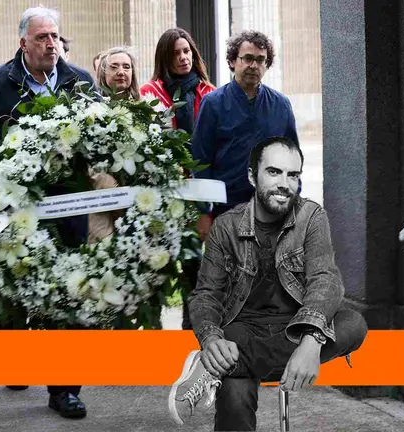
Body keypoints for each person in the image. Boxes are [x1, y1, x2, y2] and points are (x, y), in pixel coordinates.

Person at [168, 137, 367, 431]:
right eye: (274, 172)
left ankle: (210, 369)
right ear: (252, 176)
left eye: (293, 175)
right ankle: (223, 362)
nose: (284, 183)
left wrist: (312, 341)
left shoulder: (311, 217)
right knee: (232, 370)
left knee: (353, 324)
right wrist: (211, 339)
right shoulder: (226, 226)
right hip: (244, 329)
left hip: (296, 329)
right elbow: (206, 295)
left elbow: (325, 280)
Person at [0, 6, 97, 420]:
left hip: (70, 209)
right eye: (42, 38)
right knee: (13, 292)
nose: (50, 44)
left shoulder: (80, 81)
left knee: (68, 295)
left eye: (55, 36)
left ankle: (65, 389)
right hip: (16, 209)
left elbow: (98, 141)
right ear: (23, 42)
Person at [140, 28, 216, 330]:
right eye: (176, 53)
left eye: (187, 52)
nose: (183, 58)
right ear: (165, 57)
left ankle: (191, 325)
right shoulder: (149, 94)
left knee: (194, 261)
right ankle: (154, 326)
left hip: (198, 188)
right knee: (157, 259)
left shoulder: (208, 93)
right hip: (162, 190)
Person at [190, 30, 299, 240]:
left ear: (267, 65)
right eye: (247, 58)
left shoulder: (281, 105)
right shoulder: (213, 104)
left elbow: (293, 160)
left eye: (260, 60)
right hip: (227, 208)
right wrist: (204, 212)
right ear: (232, 61)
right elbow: (200, 160)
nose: (254, 65)